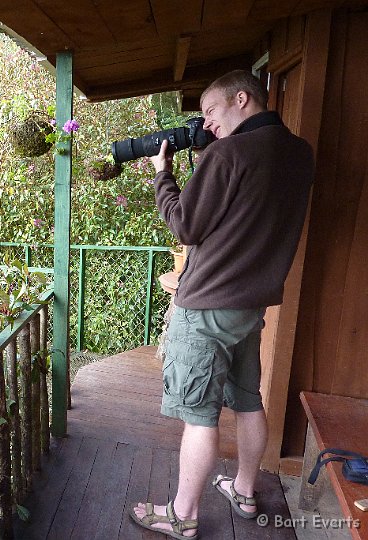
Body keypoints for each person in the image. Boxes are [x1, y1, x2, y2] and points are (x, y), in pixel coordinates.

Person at [129, 70, 315, 539]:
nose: (207, 124)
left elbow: (186, 226)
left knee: (199, 414)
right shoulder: (299, 153)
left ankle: (183, 514)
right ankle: (245, 490)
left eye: (211, 112)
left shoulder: (228, 153)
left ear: (241, 99)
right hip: (251, 307)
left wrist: (163, 175)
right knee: (248, 400)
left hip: (208, 305)